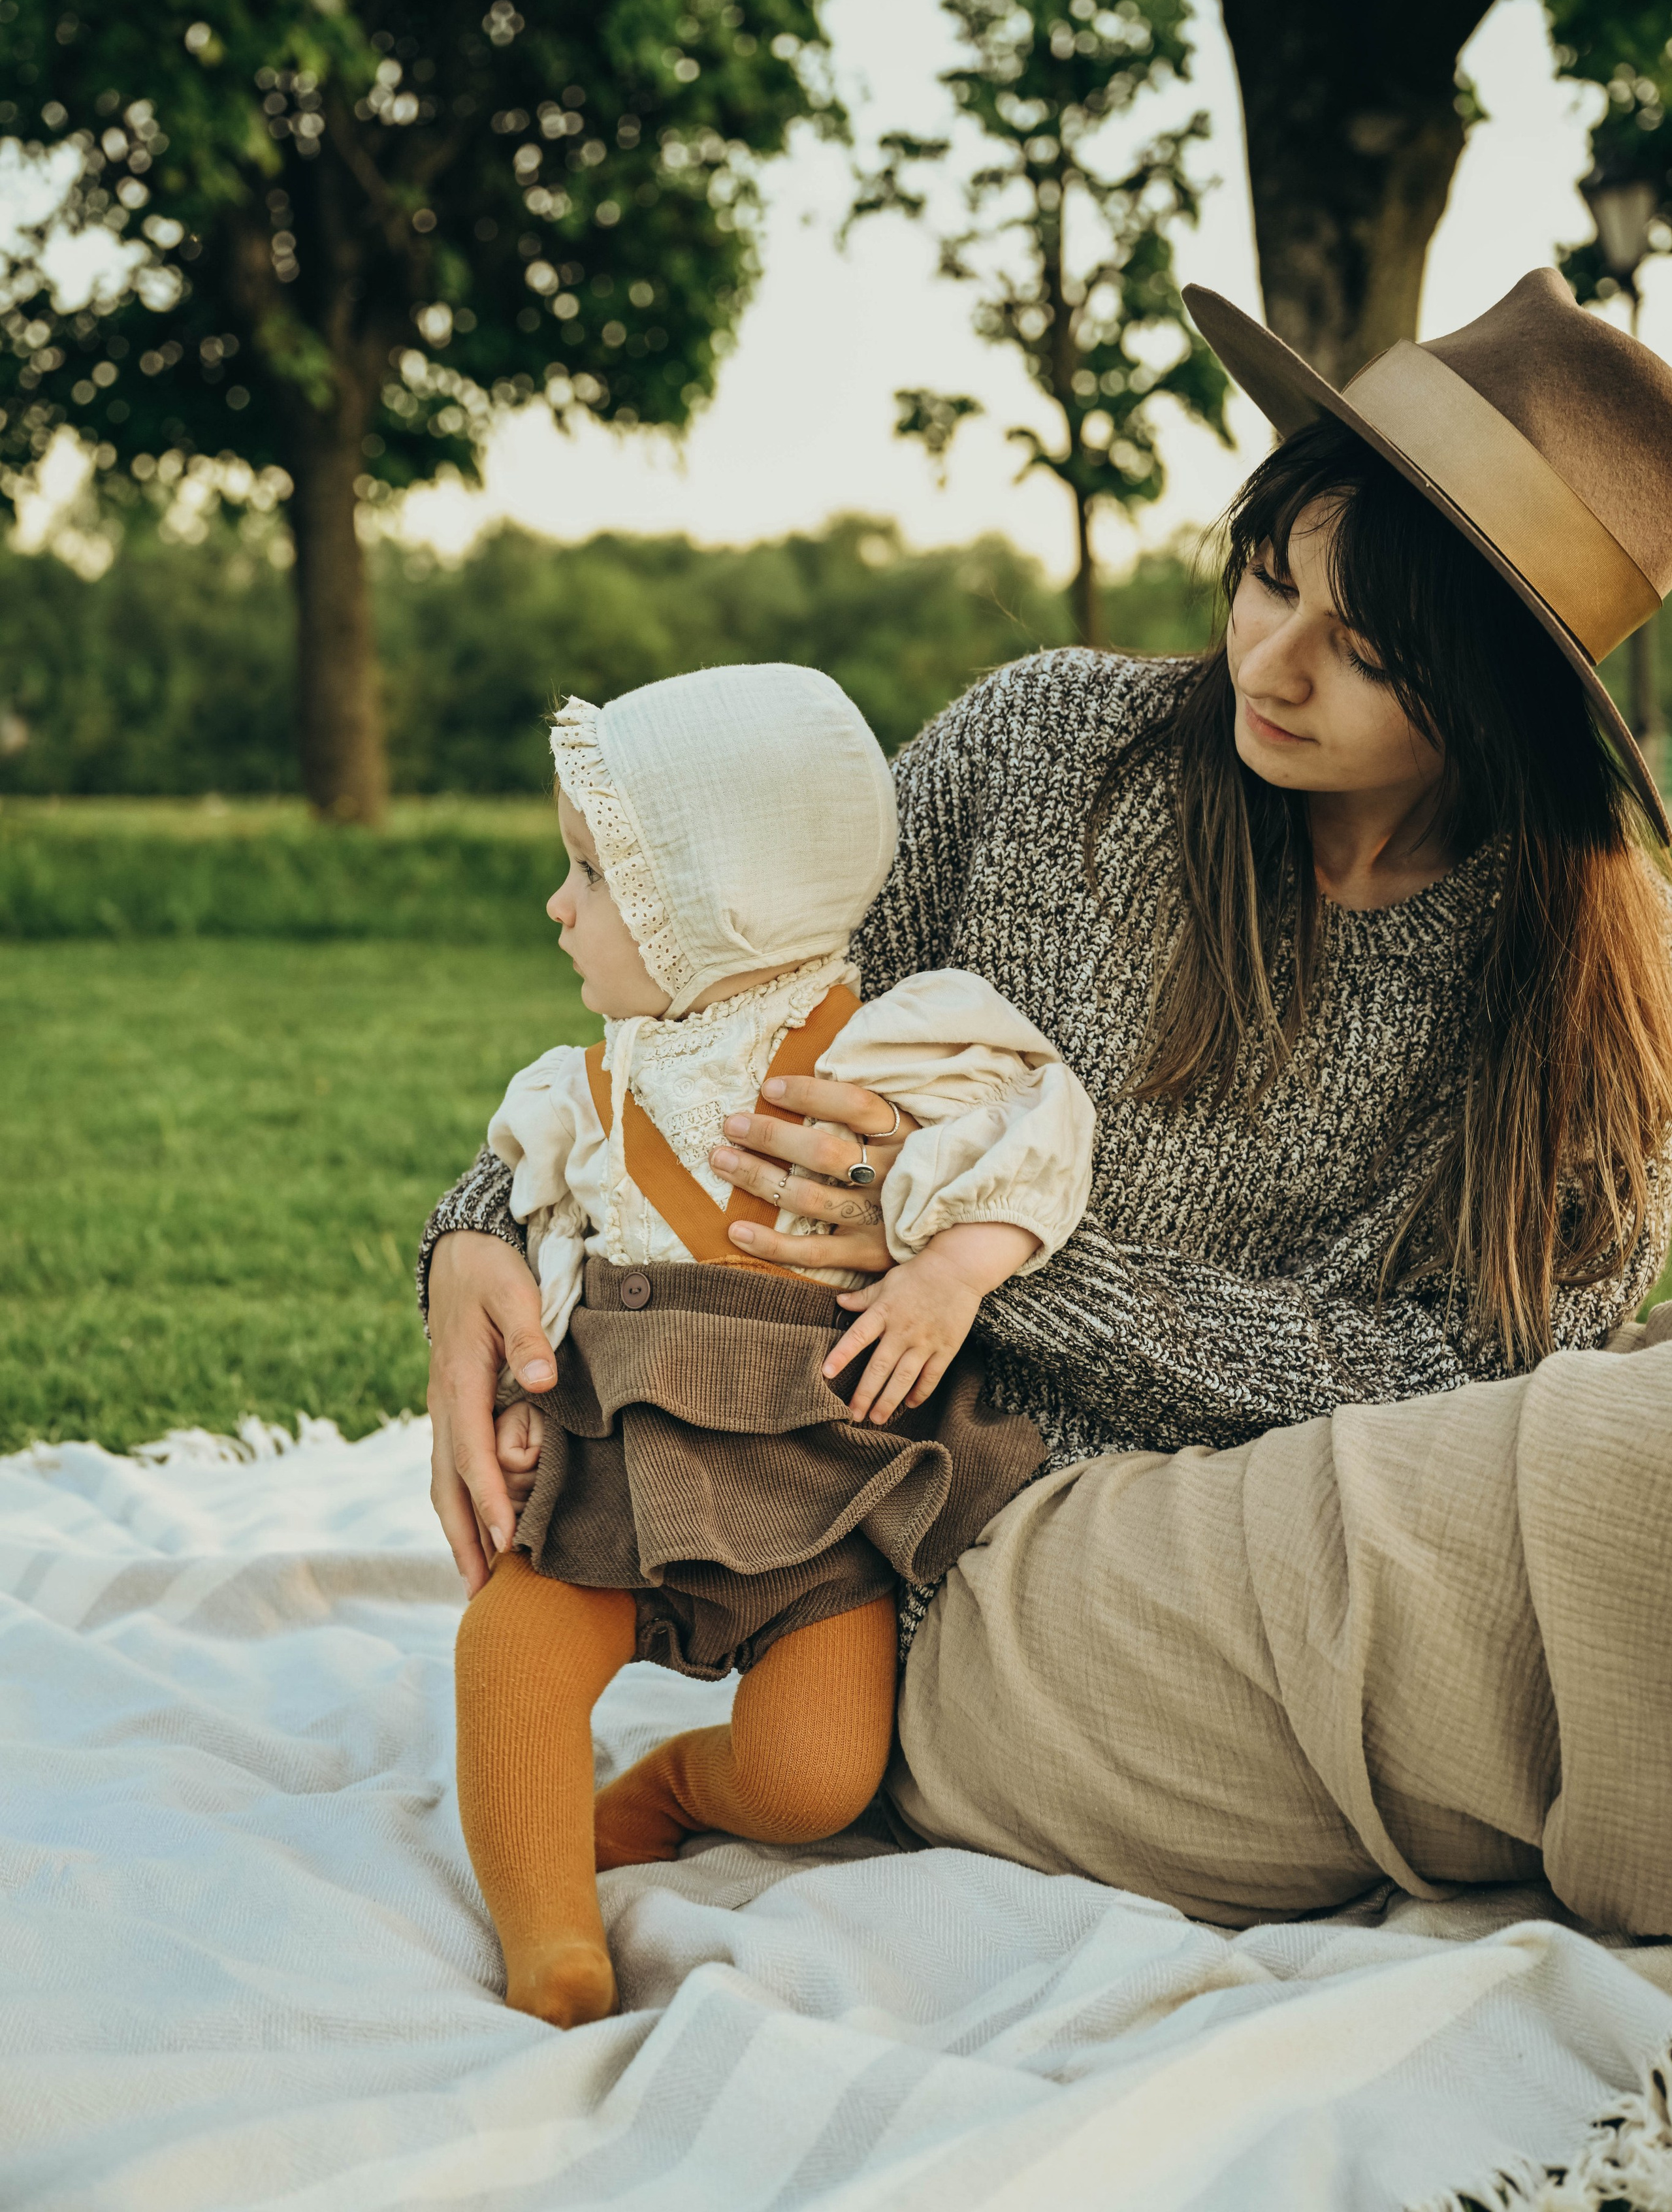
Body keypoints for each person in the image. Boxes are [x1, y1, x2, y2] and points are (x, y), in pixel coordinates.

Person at [423, 265, 1672, 1925]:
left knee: (1617, 1439)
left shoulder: (1596, 995)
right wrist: (474, 1230)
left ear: (1501, 700)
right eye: (1265, 575)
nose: (1271, 662)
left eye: (1365, 653)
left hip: (1296, 1521)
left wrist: (996, 1263)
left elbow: (1473, 1381)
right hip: (946, 1526)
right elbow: (729, 999)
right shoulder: (1050, 750)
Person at [453, 660, 1094, 2027]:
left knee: (816, 1779)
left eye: (592, 875)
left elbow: (1041, 1135)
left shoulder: (890, 1047)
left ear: (717, 906)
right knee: (510, 1652)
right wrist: (521, 1384)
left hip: (821, 1478)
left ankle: (681, 1785)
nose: (558, 905)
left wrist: (954, 1270)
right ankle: (551, 1937)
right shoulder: (587, 1086)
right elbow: (543, 1238)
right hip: (620, 1460)